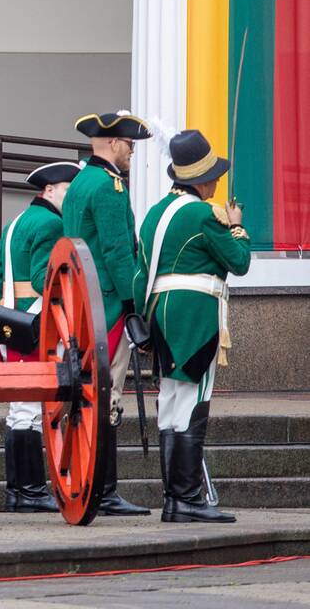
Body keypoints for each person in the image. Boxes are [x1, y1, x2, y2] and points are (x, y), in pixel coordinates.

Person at [133, 130, 250, 523]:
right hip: (195, 317)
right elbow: (240, 261)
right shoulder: (204, 214)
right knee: (193, 400)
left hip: (161, 316)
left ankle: (174, 499)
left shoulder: (153, 214)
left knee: (170, 403)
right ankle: (186, 498)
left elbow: (139, 274)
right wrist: (236, 226)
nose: (216, 181)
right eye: (213, 174)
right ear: (200, 179)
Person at [61, 111, 151, 516]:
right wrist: (135, 300)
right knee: (107, 393)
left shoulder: (79, 182)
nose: (131, 153)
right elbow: (118, 251)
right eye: (129, 146)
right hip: (109, 303)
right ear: (114, 144)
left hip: (79, 300)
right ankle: (106, 489)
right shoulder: (112, 186)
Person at [0, 161, 81, 513]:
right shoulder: (52, 223)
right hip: (35, 322)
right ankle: (31, 490)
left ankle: (18, 491)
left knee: (18, 408)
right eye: (67, 190)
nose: (70, 198)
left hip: (9, 323)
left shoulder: (14, 223)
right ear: (49, 191)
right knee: (29, 409)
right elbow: (44, 279)